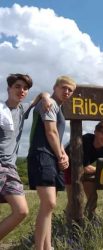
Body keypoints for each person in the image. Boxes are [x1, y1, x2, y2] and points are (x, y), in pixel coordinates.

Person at [27, 76, 76, 250]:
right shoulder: (50, 104)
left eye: (70, 90)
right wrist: (60, 155)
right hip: (42, 155)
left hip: (52, 156)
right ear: (55, 87)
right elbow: (51, 132)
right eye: (64, 88)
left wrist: (63, 154)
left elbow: (57, 137)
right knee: (49, 203)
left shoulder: (56, 106)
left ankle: (48, 247)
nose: (67, 92)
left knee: (49, 206)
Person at [0, 74, 50, 240]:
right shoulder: (0, 110)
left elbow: (41, 95)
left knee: (21, 211)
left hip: (11, 169)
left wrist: (46, 97)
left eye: (25, 88)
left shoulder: (23, 109)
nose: (21, 90)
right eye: (17, 86)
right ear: (9, 89)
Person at [64, 121, 103, 219]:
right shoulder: (85, 140)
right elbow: (86, 168)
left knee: (93, 197)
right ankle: (68, 223)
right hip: (69, 165)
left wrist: (101, 169)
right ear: (95, 132)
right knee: (73, 200)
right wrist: (101, 169)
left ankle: (90, 221)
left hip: (84, 167)